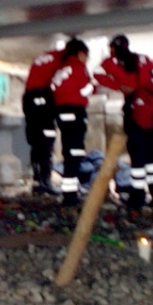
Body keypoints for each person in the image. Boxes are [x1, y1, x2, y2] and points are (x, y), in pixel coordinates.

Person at [93, 34, 153, 211]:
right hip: (152, 110)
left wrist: (119, 86)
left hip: (134, 110)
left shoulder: (113, 62)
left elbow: (97, 74)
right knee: (152, 155)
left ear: (113, 48)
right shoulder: (144, 59)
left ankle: (137, 197)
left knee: (137, 156)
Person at [50, 37, 95, 206]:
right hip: (75, 111)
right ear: (80, 53)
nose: (87, 59)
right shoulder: (78, 66)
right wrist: (95, 85)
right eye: (86, 55)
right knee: (75, 153)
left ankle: (70, 191)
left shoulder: (61, 68)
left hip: (61, 112)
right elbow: (85, 89)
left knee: (69, 150)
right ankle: (70, 195)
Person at [22, 46, 65, 195]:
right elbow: (64, 82)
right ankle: (45, 182)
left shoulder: (46, 56)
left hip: (29, 98)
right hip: (41, 97)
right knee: (46, 140)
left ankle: (38, 181)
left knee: (36, 142)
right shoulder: (64, 60)